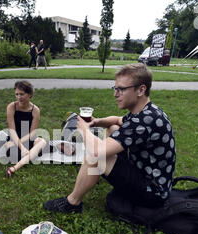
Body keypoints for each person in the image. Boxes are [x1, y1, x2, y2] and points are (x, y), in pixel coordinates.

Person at [43, 63, 176, 213]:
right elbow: (118, 120)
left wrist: (85, 130)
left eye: (121, 89)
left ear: (141, 90)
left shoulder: (145, 121)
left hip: (153, 192)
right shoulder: (146, 111)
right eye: (115, 88)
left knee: (95, 156)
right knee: (112, 128)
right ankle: (93, 173)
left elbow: (95, 152)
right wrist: (97, 121)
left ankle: (72, 203)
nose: (115, 94)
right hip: (146, 173)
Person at [4, 81, 47, 177]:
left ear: (30, 95)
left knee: (42, 141)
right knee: (14, 155)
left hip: (28, 138)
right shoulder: (11, 107)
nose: (19, 97)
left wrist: (23, 146)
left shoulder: (35, 110)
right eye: (17, 94)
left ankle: (14, 168)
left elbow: (32, 133)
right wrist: (22, 147)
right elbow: (12, 131)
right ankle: (32, 153)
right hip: (14, 138)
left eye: (22, 94)